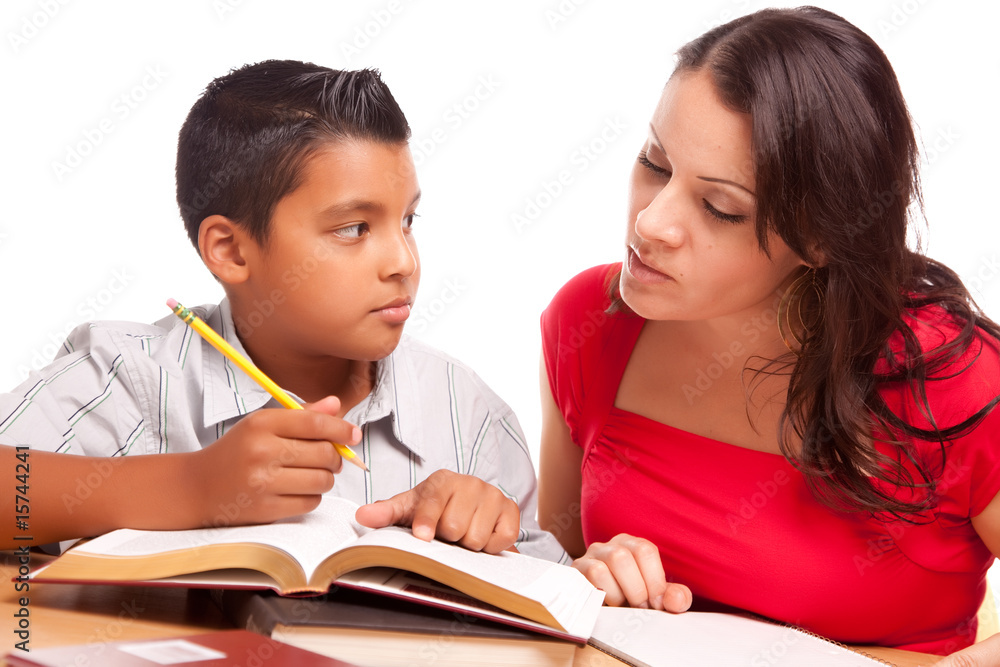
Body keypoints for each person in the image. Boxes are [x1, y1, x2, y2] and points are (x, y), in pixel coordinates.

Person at [537, 6, 1000, 661]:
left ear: (817, 237)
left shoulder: (952, 377)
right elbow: (551, 560)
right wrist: (589, 578)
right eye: (655, 162)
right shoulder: (590, 321)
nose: (650, 224)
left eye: (719, 207)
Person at [0, 60, 565, 564]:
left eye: (408, 221)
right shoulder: (130, 378)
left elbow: (560, 594)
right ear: (231, 251)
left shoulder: (469, 415)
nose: (403, 260)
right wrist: (190, 486)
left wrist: (491, 536)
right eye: (353, 228)